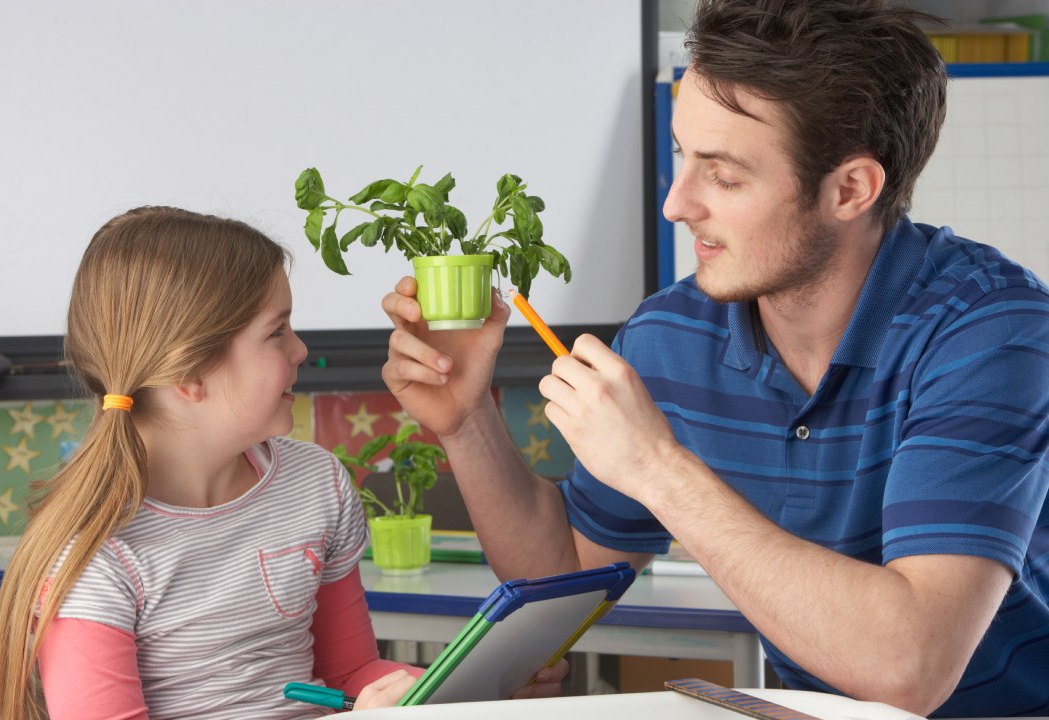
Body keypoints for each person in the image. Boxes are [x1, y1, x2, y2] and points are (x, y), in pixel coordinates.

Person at [380, 1, 1049, 716]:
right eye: (681, 156)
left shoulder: (996, 333)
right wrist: (466, 423)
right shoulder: (671, 335)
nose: (676, 203)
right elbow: (565, 576)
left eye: (724, 176)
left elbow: (908, 666)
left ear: (850, 189)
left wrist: (657, 468)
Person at [0, 207, 565, 720]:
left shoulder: (315, 484)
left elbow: (347, 677)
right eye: (277, 332)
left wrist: (461, 690)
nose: (300, 351)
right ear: (189, 376)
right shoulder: (97, 555)